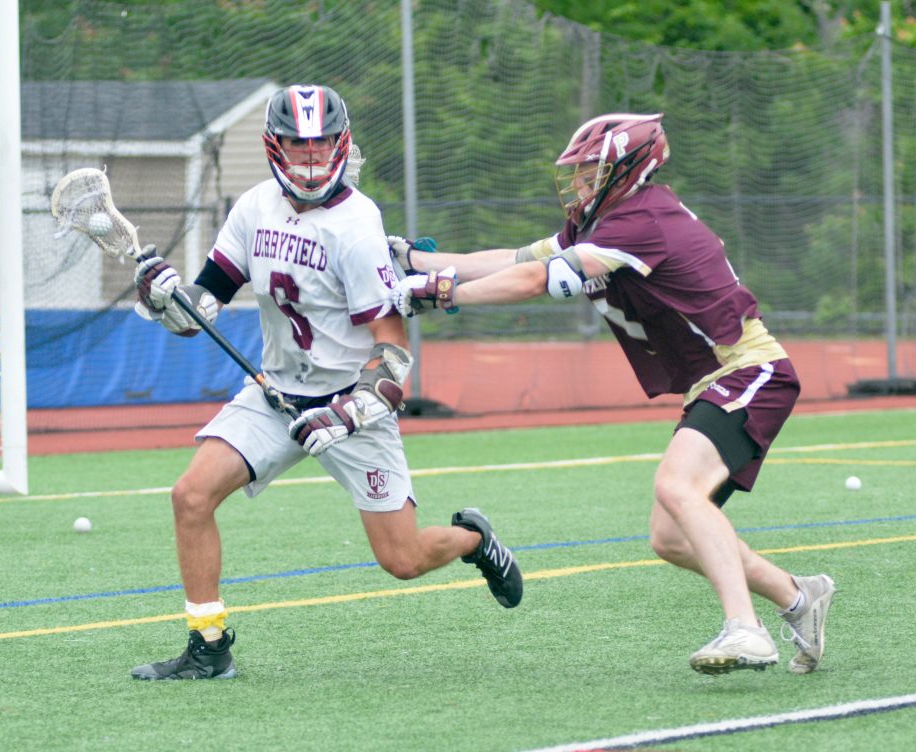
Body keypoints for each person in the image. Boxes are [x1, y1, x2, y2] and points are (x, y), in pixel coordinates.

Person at [391, 113, 835, 675]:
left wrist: (439, 293)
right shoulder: (602, 223)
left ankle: (746, 629)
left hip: (749, 369)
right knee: (671, 538)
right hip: (718, 380)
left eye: (589, 173)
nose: (578, 184)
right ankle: (799, 597)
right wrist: (415, 260)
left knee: (677, 486)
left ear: (627, 171)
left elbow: (536, 280)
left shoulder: (641, 220)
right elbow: (514, 259)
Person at [127, 84, 522, 681]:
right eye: (297, 144)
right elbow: (200, 310)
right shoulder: (255, 207)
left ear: (341, 144)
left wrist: (346, 414)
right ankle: (208, 646)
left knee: (403, 559)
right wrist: (166, 300)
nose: (310, 158)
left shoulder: (357, 226)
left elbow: (394, 354)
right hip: (276, 392)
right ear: (274, 145)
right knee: (191, 496)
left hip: (352, 403)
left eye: (321, 144)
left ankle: (474, 540)